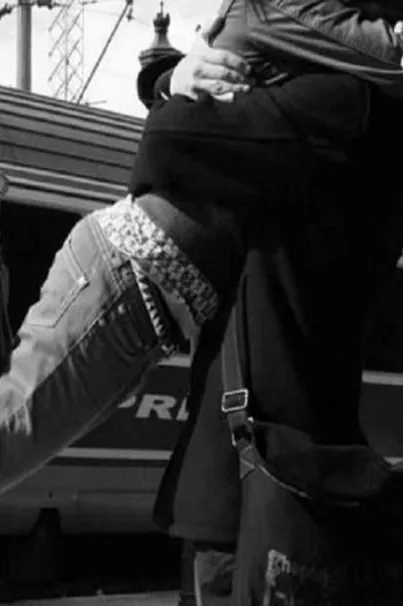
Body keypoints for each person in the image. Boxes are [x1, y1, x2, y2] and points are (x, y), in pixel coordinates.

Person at [142, 16, 403, 606]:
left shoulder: (335, 109)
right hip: (254, 466)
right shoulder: (348, 115)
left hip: (253, 476)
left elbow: (167, 145)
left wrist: (176, 83)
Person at [0, 0, 402, 500]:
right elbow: (392, 56)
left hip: (139, 304)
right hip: (125, 276)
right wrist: (169, 78)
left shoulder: (312, 45)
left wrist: (166, 78)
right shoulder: (287, 7)